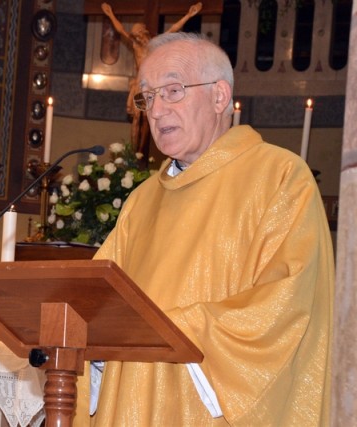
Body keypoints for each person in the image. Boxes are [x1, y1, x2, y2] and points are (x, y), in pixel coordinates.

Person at [75, 32, 334, 426]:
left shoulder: (281, 178)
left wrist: (168, 328)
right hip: (134, 403)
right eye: (147, 96)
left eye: (173, 91)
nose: (156, 110)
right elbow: (95, 300)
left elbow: (289, 301)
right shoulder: (143, 200)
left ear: (219, 96)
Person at [101, 2, 202, 155]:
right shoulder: (135, 45)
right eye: (134, 35)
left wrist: (188, 15)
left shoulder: (155, 46)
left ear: (143, 33)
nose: (135, 36)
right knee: (136, 119)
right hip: (138, 84)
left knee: (147, 121)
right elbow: (121, 30)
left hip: (150, 86)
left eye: (137, 33)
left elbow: (173, 29)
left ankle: (141, 151)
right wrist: (110, 14)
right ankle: (134, 151)